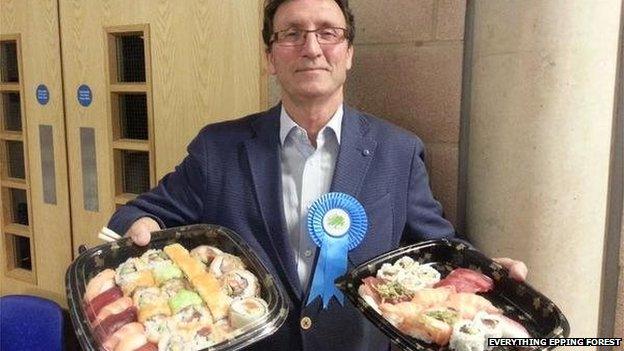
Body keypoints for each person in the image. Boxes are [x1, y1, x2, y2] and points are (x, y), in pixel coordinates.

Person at [107, 0, 527, 350]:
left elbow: (435, 249)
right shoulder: (218, 148)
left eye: (329, 32)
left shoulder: (397, 151)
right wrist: (138, 224)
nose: (311, 47)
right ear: (270, 57)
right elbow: (140, 215)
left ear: (349, 53)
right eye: (291, 33)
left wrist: (483, 272)